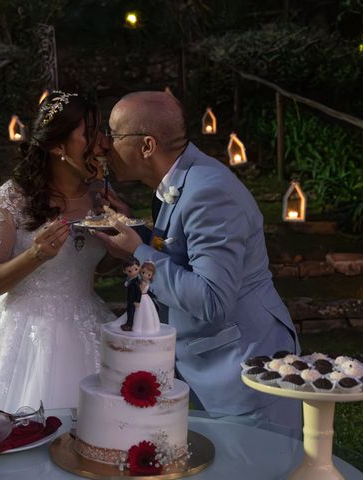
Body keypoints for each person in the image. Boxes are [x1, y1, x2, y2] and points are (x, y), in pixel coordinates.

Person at [95, 91, 301, 433]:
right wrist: (137, 235)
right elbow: (183, 256)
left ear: (147, 146)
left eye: (114, 135)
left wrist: (139, 252)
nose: (105, 145)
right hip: (211, 365)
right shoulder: (179, 181)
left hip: (243, 371)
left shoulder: (209, 192)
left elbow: (212, 299)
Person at [0, 91, 126, 419]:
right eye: (90, 133)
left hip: (90, 328)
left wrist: (120, 242)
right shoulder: (12, 200)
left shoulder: (101, 196)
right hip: (24, 339)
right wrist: (35, 255)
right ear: (58, 146)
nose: (103, 144)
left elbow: (100, 264)